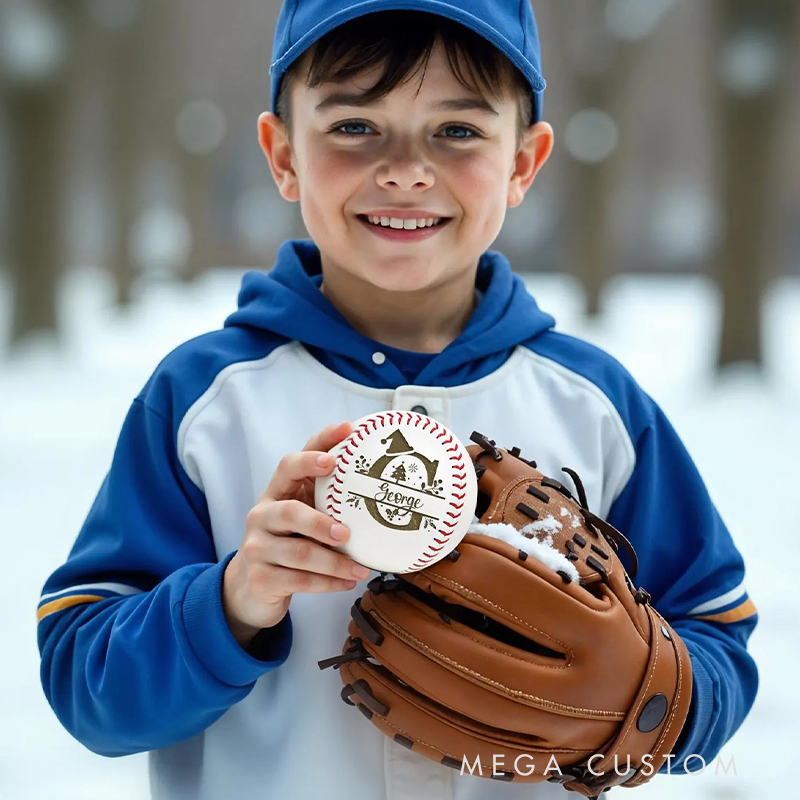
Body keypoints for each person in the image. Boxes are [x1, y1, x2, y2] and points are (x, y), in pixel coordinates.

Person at [37, 1, 759, 798]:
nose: (407, 169)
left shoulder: (595, 408)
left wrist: (643, 704)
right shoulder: (205, 403)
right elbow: (87, 688)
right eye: (354, 126)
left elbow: (718, 637)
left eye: (457, 131)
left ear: (524, 162)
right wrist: (232, 600)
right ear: (282, 156)